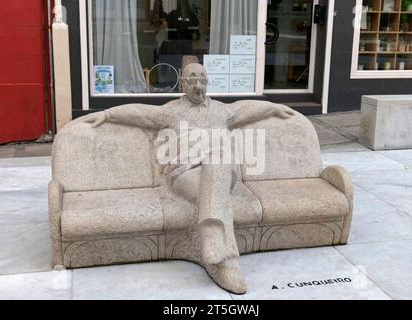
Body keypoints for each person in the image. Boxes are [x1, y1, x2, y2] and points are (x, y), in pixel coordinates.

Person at [85, 63, 295, 294]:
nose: (198, 85)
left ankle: (214, 238)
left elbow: (248, 108)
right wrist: (108, 114)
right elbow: (140, 112)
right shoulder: (171, 111)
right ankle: (228, 263)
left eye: (203, 79)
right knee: (219, 189)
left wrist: (274, 108)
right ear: (182, 83)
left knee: (218, 161)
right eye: (192, 79)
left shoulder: (221, 110)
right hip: (186, 175)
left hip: (221, 172)